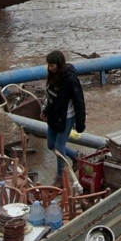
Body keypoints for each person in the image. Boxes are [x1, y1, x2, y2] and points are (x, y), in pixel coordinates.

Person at [43, 50, 87, 184]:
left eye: (52, 66)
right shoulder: (53, 76)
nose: (49, 68)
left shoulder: (70, 80)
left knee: (59, 146)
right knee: (51, 145)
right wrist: (46, 110)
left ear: (59, 65)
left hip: (66, 117)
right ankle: (75, 156)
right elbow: (51, 97)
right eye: (49, 66)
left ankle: (60, 177)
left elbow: (79, 101)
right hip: (54, 116)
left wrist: (80, 123)